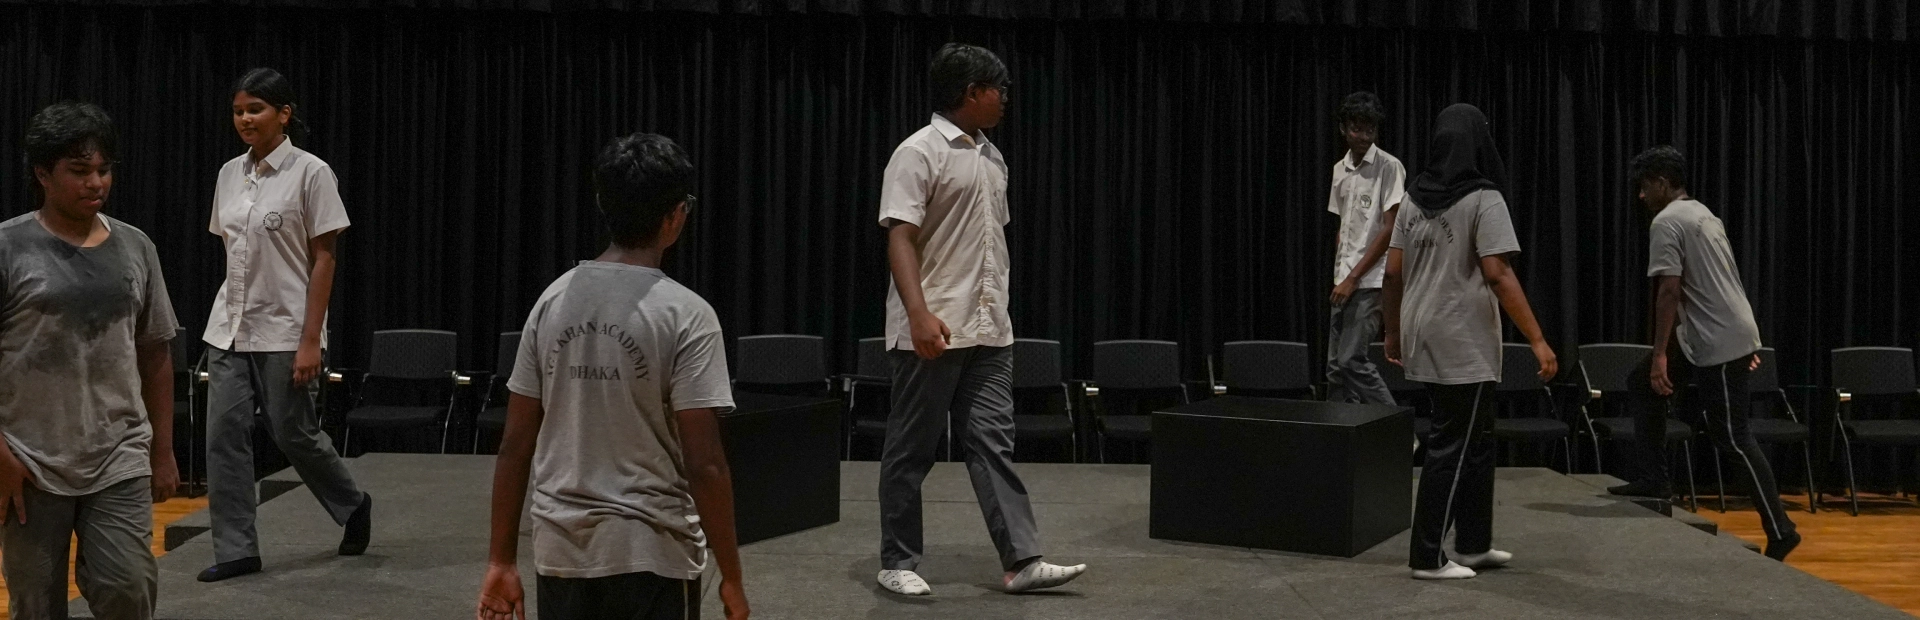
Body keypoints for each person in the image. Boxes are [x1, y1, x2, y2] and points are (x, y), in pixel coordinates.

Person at [475, 133, 748, 620]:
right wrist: (731, 574)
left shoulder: (551, 302)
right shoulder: (687, 315)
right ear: (675, 217)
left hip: (562, 553)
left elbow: (515, 444)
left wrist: (500, 559)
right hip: (654, 554)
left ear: (603, 203)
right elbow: (705, 461)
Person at [873, 42, 1086, 597]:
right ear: (971, 92)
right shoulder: (919, 151)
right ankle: (897, 559)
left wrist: (997, 311)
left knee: (993, 442)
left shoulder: (993, 157)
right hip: (934, 327)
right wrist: (918, 314)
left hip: (990, 328)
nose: (1006, 99)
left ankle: (1021, 561)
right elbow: (900, 235)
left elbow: (989, 243)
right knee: (911, 448)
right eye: (1000, 89)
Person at [1, 101, 180, 618]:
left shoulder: (136, 247)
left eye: (103, 170)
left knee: (128, 589)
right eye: (79, 171)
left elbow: (155, 350)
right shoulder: (9, 247)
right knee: (35, 604)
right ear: (43, 174)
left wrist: (163, 450)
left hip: (118, 453)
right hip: (28, 461)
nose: (95, 182)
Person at [198, 67, 371, 583]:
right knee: (222, 435)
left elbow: (324, 259)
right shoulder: (230, 173)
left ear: (284, 113)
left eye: (256, 109)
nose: (246, 119)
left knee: (293, 432)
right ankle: (236, 550)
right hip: (228, 325)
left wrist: (310, 340)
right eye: (238, 111)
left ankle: (352, 503)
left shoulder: (311, 172)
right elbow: (230, 248)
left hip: (286, 328)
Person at [1385, 103, 1556, 580]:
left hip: (1424, 330)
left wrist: (1393, 329)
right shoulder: (1484, 198)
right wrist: (1539, 341)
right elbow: (1499, 274)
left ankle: (1475, 542)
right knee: (1453, 444)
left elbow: (1393, 273)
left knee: (1476, 440)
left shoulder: (1413, 199)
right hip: (1463, 337)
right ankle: (1426, 556)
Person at [1607, 145, 1800, 561]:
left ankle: (1781, 528)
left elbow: (1669, 291)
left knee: (1732, 436)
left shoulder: (1668, 220)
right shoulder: (1703, 213)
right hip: (1720, 331)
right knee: (1640, 383)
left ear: (1661, 182)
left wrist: (1660, 353)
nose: (1641, 196)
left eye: (1644, 186)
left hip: (1719, 337)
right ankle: (1654, 480)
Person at [1324, 91, 1405, 406]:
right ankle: (1342, 440)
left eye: (1370, 130)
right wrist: (1340, 274)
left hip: (1369, 281)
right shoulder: (1339, 169)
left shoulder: (1389, 167)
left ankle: (1397, 431)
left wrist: (1353, 278)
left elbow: (1389, 229)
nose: (1363, 136)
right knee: (1334, 368)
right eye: (1357, 129)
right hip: (1343, 279)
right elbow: (1343, 226)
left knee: (1350, 360)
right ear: (1344, 128)